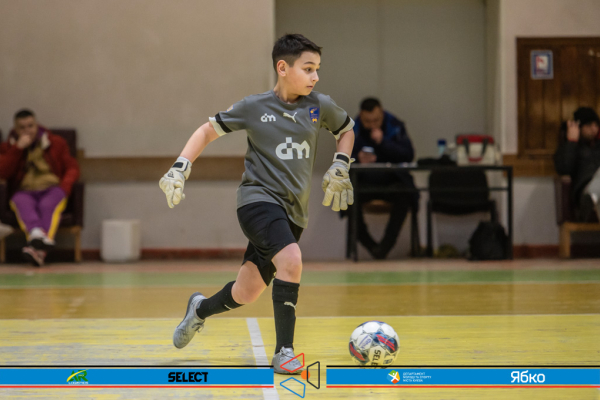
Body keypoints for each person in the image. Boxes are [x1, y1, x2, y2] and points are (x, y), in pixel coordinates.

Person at [159, 34, 355, 374]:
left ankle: (199, 310)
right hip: (257, 201)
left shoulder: (319, 106)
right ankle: (284, 352)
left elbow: (346, 130)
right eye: (308, 68)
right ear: (283, 68)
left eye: (317, 69)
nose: (315, 76)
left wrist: (341, 163)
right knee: (291, 260)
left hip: (293, 213)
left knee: (247, 292)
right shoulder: (254, 107)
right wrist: (180, 166)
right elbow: (207, 131)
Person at [0, 109, 79, 266]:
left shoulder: (56, 142)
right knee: (22, 204)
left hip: (52, 188)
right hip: (23, 191)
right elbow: (3, 172)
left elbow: (72, 168)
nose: (27, 130)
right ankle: (38, 245)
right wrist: (17, 149)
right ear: (16, 129)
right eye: (22, 127)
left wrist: (64, 188)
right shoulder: (8, 146)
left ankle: (36, 245)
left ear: (36, 125)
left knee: (47, 206)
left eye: (30, 126)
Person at [351, 97, 417, 259]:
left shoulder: (395, 126)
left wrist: (383, 142)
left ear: (382, 113)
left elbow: (408, 155)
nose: (372, 125)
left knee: (405, 194)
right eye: (368, 121)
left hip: (392, 181)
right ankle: (372, 246)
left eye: (376, 120)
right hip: (364, 182)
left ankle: (384, 247)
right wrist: (358, 158)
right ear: (361, 116)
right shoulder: (351, 129)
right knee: (346, 198)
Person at [554, 107, 600, 221]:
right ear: (579, 127)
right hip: (585, 188)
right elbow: (564, 168)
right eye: (589, 125)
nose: (594, 129)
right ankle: (591, 196)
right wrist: (571, 142)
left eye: (596, 125)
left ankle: (593, 195)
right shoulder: (572, 147)